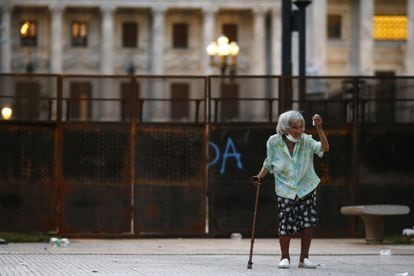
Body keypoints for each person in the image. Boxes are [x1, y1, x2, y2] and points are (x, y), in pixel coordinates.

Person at [252, 110, 329, 269]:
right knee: (285, 222)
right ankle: (284, 257)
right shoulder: (274, 142)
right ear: (285, 128)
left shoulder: (307, 140)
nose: (299, 130)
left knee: (308, 223)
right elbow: (269, 161)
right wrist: (259, 176)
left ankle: (304, 258)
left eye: (301, 127)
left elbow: (324, 148)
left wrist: (319, 128)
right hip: (284, 188)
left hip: (306, 186)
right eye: (295, 127)